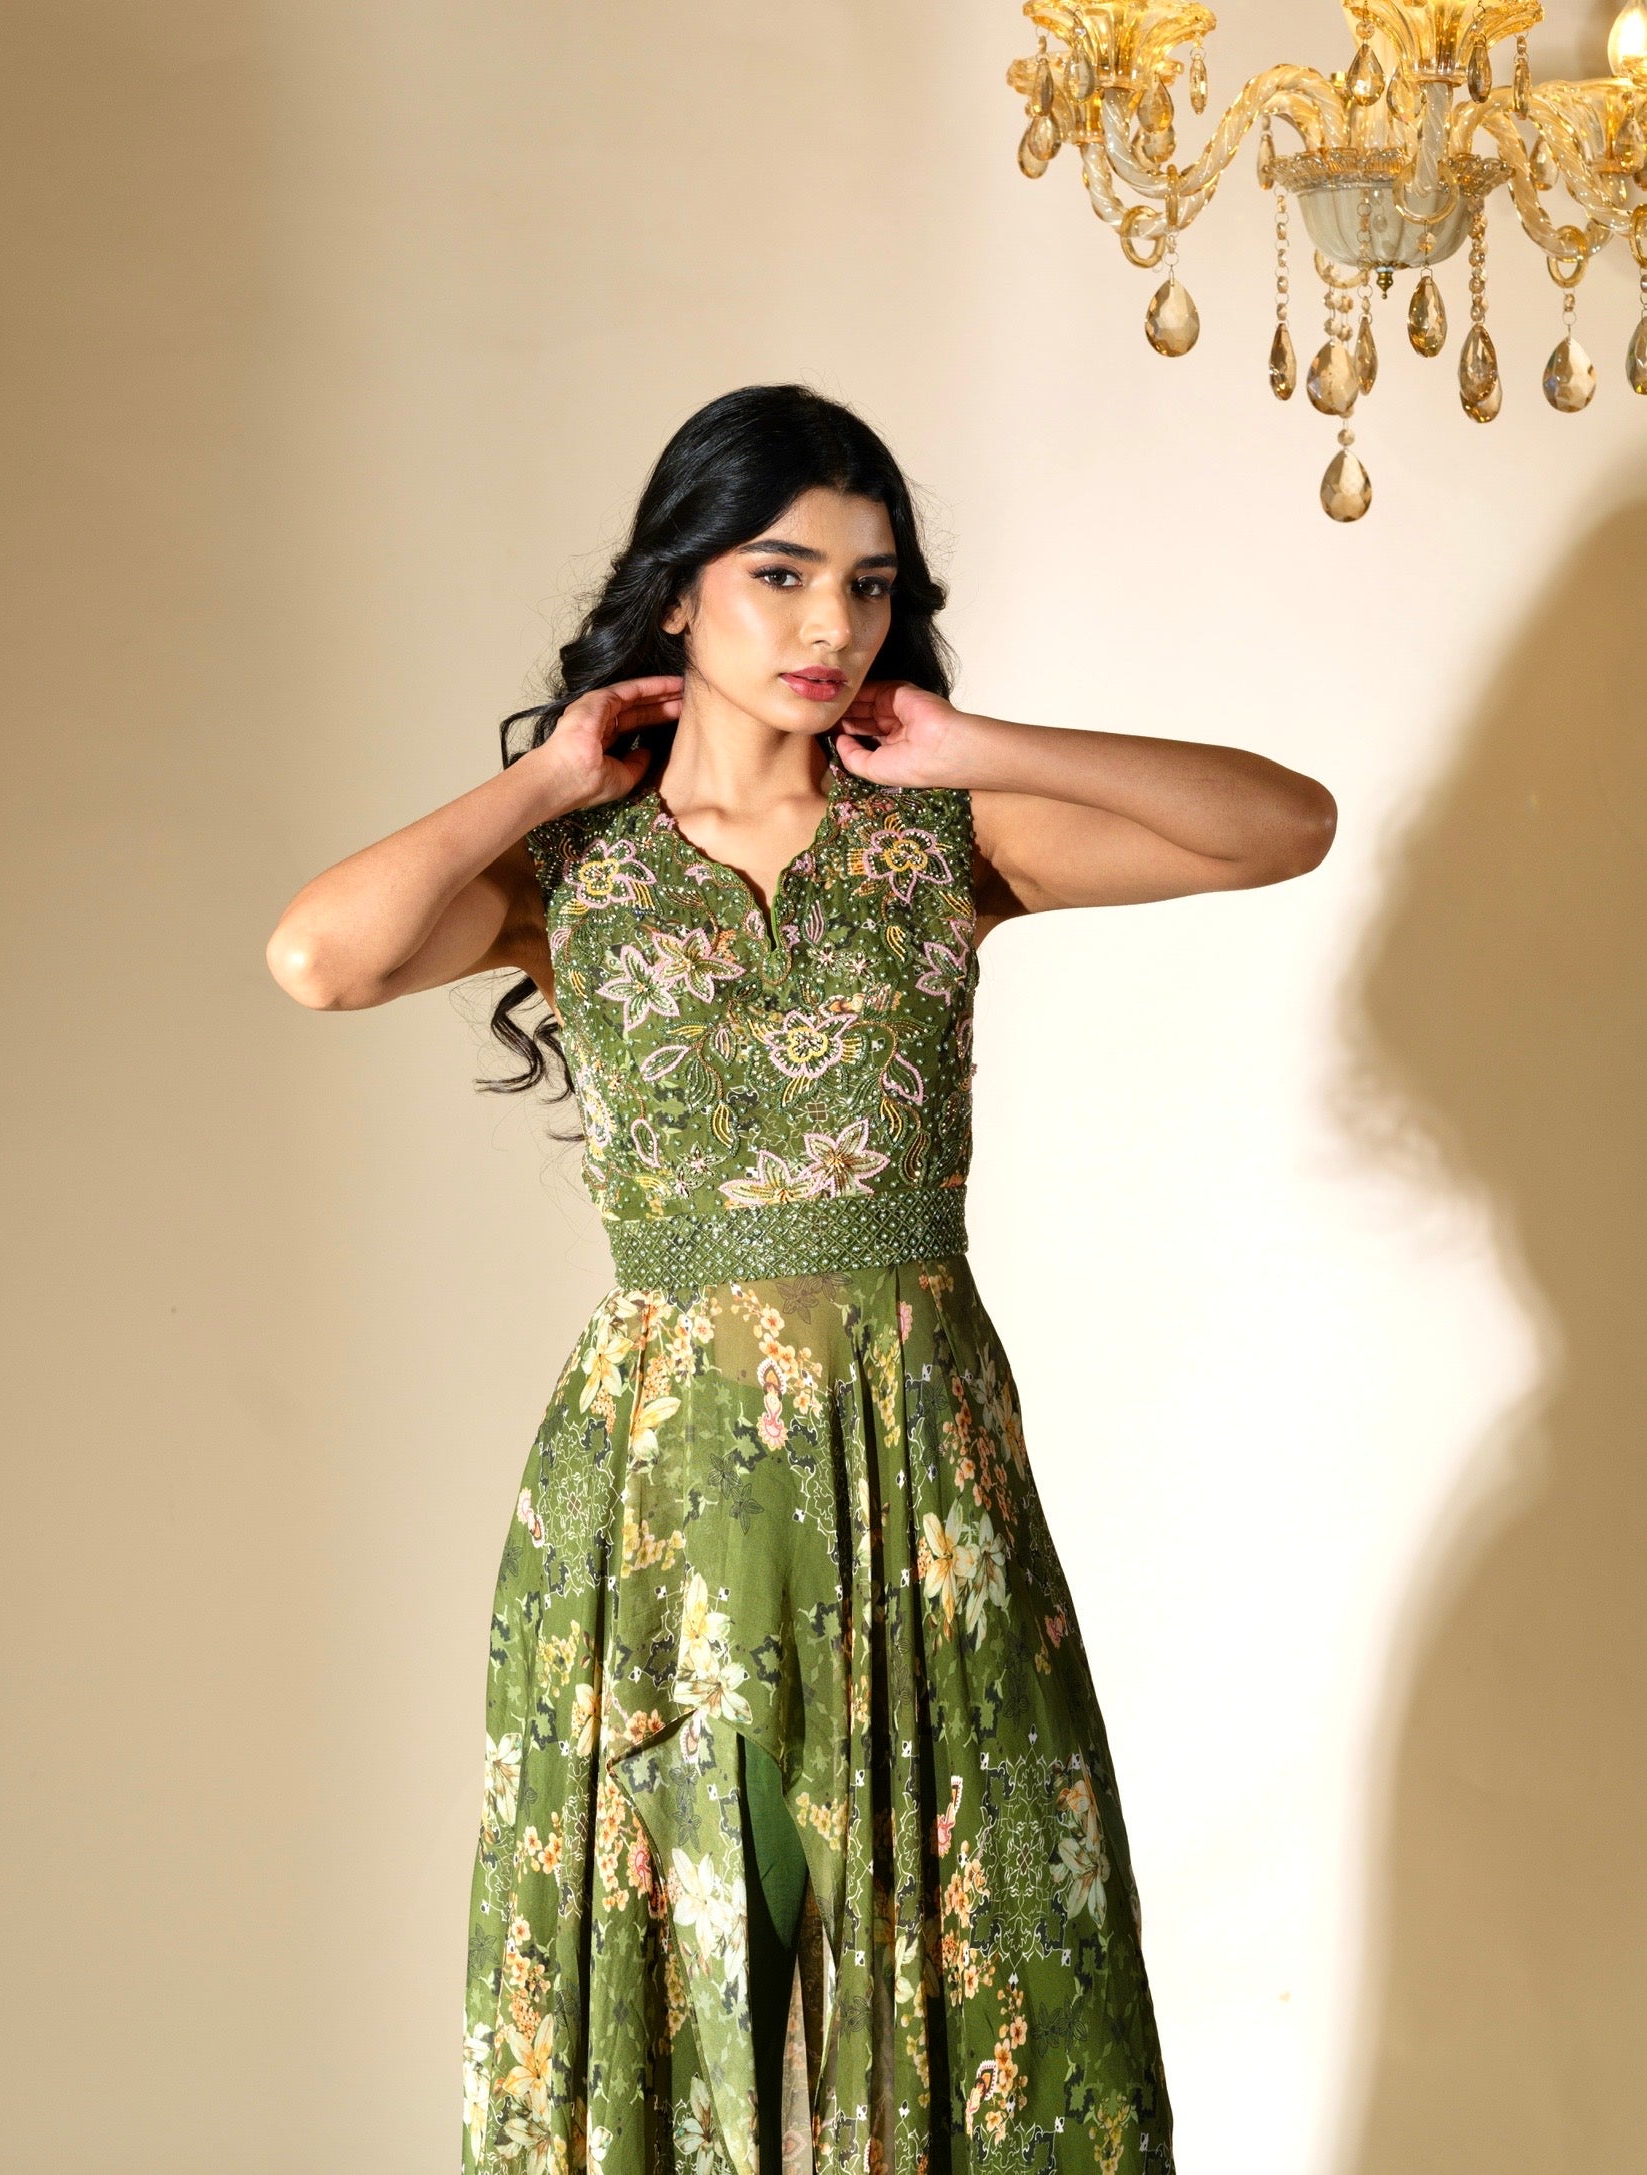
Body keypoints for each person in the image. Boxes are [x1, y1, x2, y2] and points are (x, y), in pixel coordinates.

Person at [266, 384, 1336, 2175]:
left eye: (870, 581)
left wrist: (981, 740)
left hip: (923, 1479)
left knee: (977, 1940)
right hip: (658, 1502)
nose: (833, 624)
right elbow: (318, 958)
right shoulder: (572, 876)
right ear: (676, 590)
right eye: (781, 574)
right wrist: (547, 777)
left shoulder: (948, 846)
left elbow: (1283, 824)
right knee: (694, 1949)